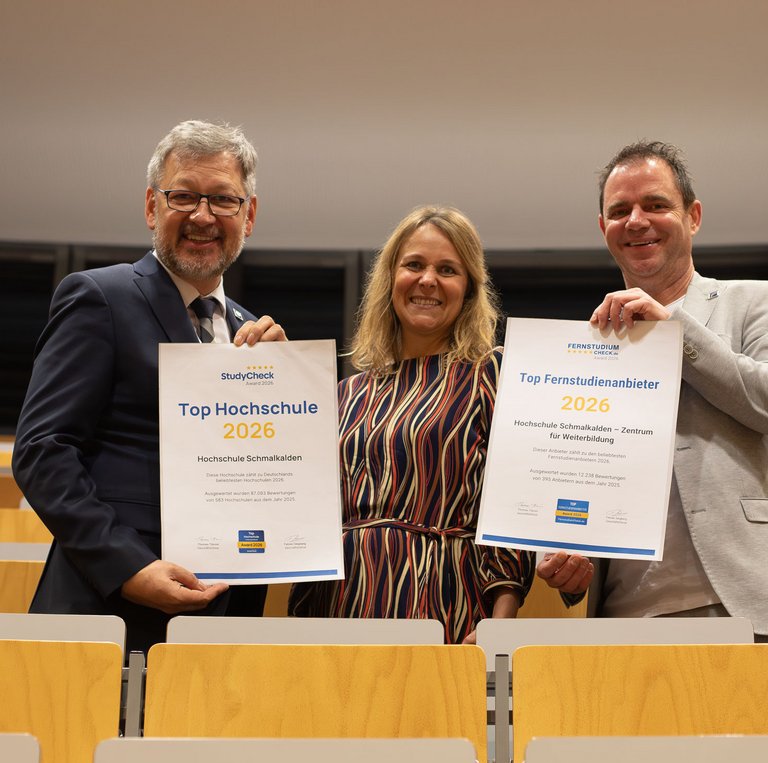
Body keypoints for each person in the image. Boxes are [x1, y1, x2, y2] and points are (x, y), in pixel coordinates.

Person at [12, 119, 286, 655]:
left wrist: (281, 383)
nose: (202, 215)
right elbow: (43, 452)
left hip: (224, 616)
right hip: (106, 609)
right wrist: (129, 567)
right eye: (183, 195)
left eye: (223, 200)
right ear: (151, 207)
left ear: (248, 215)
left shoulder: (255, 335)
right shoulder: (99, 297)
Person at [537, 140, 768, 638]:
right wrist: (563, 552)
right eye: (619, 211)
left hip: (742, 602)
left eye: (656, 205)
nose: (636, 220)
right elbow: (571, 476)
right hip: (623, 617)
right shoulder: (586, 351)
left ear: (694, 216)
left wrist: (673, 329)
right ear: (604, 229)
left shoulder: (753, 303)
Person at [285, 205, 534, 643]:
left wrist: (499, 622)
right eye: (414, 265)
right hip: (336, 608)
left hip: (442, 603)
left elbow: (513, 509)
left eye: (448, 269)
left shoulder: (490, 375)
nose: (427, 280)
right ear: (390, 279)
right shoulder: (346, 392)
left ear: (469, 289)